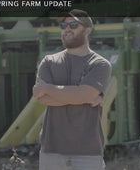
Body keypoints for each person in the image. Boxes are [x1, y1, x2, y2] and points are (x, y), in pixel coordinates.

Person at [33, 9, 112, 170]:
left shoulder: (99, 64)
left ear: (87, 30)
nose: (67, 28)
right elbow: (41, 97)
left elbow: (85, 94)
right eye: (64, 25)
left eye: (74, 24)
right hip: (51, 152)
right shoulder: (48, 62)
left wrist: (48, 88)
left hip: (87, 153)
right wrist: (80, 96)